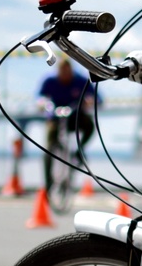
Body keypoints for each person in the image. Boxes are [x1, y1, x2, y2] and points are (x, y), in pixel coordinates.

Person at [37, 59, 99, 195]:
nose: (65, 74)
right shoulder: (49, 81)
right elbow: (40, 98)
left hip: (76, 118)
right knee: (48, 149)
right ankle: (48, 184)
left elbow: (97, 97)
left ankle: (79, 151)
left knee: (89, 126)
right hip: (55, 119)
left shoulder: (81, 81)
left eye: (67, 72)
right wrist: (43, 104)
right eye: (62, 72)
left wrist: (89, 101)